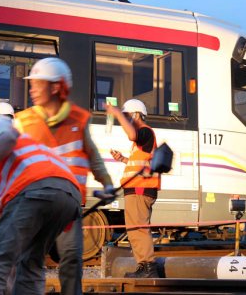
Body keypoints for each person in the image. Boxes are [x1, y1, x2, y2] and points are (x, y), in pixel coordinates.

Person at [14, 57, 114, 295]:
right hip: (34, 205)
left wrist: (107, 182)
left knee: (71, 260)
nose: (32, 90)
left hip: (67, 209)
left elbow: (92, 156)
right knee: (29, 260)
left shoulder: (77, 122)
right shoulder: (23, 122)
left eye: (38, 84)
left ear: (56, 87)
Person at [0, 115, 81, 295]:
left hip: (35, 189)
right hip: (68, 193)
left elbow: (6, 134)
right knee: (31, 263)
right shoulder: (27, 147)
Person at [105, 98, 159, 278]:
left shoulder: (145, 132)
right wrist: (122, 159)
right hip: (136, 190)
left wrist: (117, 113)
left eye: (128, 116)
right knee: (134, 230)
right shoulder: (142, 139)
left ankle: (148, 268)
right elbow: (142, 166)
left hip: (140, 190)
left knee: (138, 229)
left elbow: (132, 135)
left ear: (136, 115)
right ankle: (143, 265)